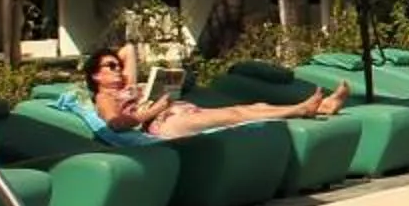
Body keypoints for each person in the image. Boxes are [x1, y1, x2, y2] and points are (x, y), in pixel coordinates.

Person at [53, 44, 345, 145]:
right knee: (235, 115)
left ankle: (323, 106)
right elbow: (116, 123)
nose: (117, 70)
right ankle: (301, 110)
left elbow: (128, 49)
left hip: (173, 110)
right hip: (162, 124)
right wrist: (154, 109)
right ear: (95, 76)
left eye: (117, 67)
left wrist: (115, 66)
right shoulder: (105, 97)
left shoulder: (124, 85)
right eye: (109, 67)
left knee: (253, 105)